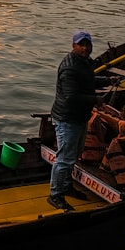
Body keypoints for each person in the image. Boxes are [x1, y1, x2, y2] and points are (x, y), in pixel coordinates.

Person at [47, 31, 111, 211]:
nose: (85, 48)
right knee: (64, 159)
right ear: (73, 46)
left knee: (73, 155)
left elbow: (88, 81)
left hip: (80, 117)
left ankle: (66, 186)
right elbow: (71, 97)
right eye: (81, 45)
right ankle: (55, 195)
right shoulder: (70, 68)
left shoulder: (84, 63)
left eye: (88, 45)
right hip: (67, 118)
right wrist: (95, 100)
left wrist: (107, 80)